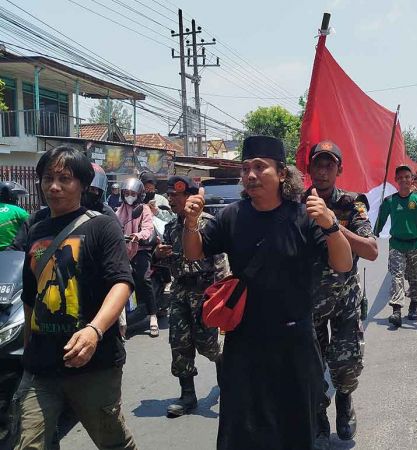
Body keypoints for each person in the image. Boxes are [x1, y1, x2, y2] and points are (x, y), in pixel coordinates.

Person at [182, 135, 352, 450]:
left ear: (282, 174)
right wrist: (190, 222)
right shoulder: (231, 216)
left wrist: (330, 225)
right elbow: (195, 253)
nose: (250, 175)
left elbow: (342, 263)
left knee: (293, 432)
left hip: (293, 345)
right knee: (241, 433)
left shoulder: (303, 216)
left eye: (260, 167)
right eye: (246, 168)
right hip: (243, 345)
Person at [13, 145, 136, 449]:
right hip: (42, 365)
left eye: (64, 178)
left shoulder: (101, 226)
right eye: (47, 178)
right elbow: (31, 296)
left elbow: (121, 282)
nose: (53, 186)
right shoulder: (34, 229)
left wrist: (94, 330)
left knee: (113, 443)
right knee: (28, 443)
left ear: (82, 184)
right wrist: (29, 349)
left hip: (93, 364)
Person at [301, 140, 378, 448]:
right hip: (308, 303)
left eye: (329, 165)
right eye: (317, 164)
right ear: (309, 169)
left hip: (345, 298)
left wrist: (332, 224)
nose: (323, 170)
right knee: (311, 367)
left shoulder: (351, 203)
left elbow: (371, 250)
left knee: (346, 366)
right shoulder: (296, 204)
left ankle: (344, 405)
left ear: (339, 169)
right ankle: (319, 415)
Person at [153, 175, 228, 418]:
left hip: (205, 291)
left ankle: (229, 388)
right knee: (179, 343)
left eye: (176, 194)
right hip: (180, 291)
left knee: (211, 344)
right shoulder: (171, 227)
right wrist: (159, 254)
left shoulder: (208, 224)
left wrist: (221, 297)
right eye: (170, 195)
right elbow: (166, 264)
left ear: (191, 197)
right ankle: (187, 396)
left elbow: (220, 262)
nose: (171, 199)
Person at [373, 165, 417, 327]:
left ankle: (413, 307)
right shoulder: (390, 201)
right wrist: (372, 235)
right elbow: (380, 222)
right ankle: (396, 310)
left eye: (407, 177)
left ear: (412, 180)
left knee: (415, 278)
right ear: (396, 180)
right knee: (396, 276)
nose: (404, 180)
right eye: (401, 177)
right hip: (397, 244)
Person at [116, 178, 159, 337]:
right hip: (124, 249)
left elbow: (148, 228)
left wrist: (138, 235)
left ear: (139, 195)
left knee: (143, 278)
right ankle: (121, 322)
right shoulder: (120, 210)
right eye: (126, 193)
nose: (129, 196)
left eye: (132, 193)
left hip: (141, 248)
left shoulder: (144, 209)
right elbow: (114, 224)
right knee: (119, 280)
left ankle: (153, 315)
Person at [0, 182, 29, 251]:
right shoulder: (17, 211)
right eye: (16, 196)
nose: (17, 199)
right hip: (10, 254)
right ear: (11, 195)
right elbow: (32, 225)